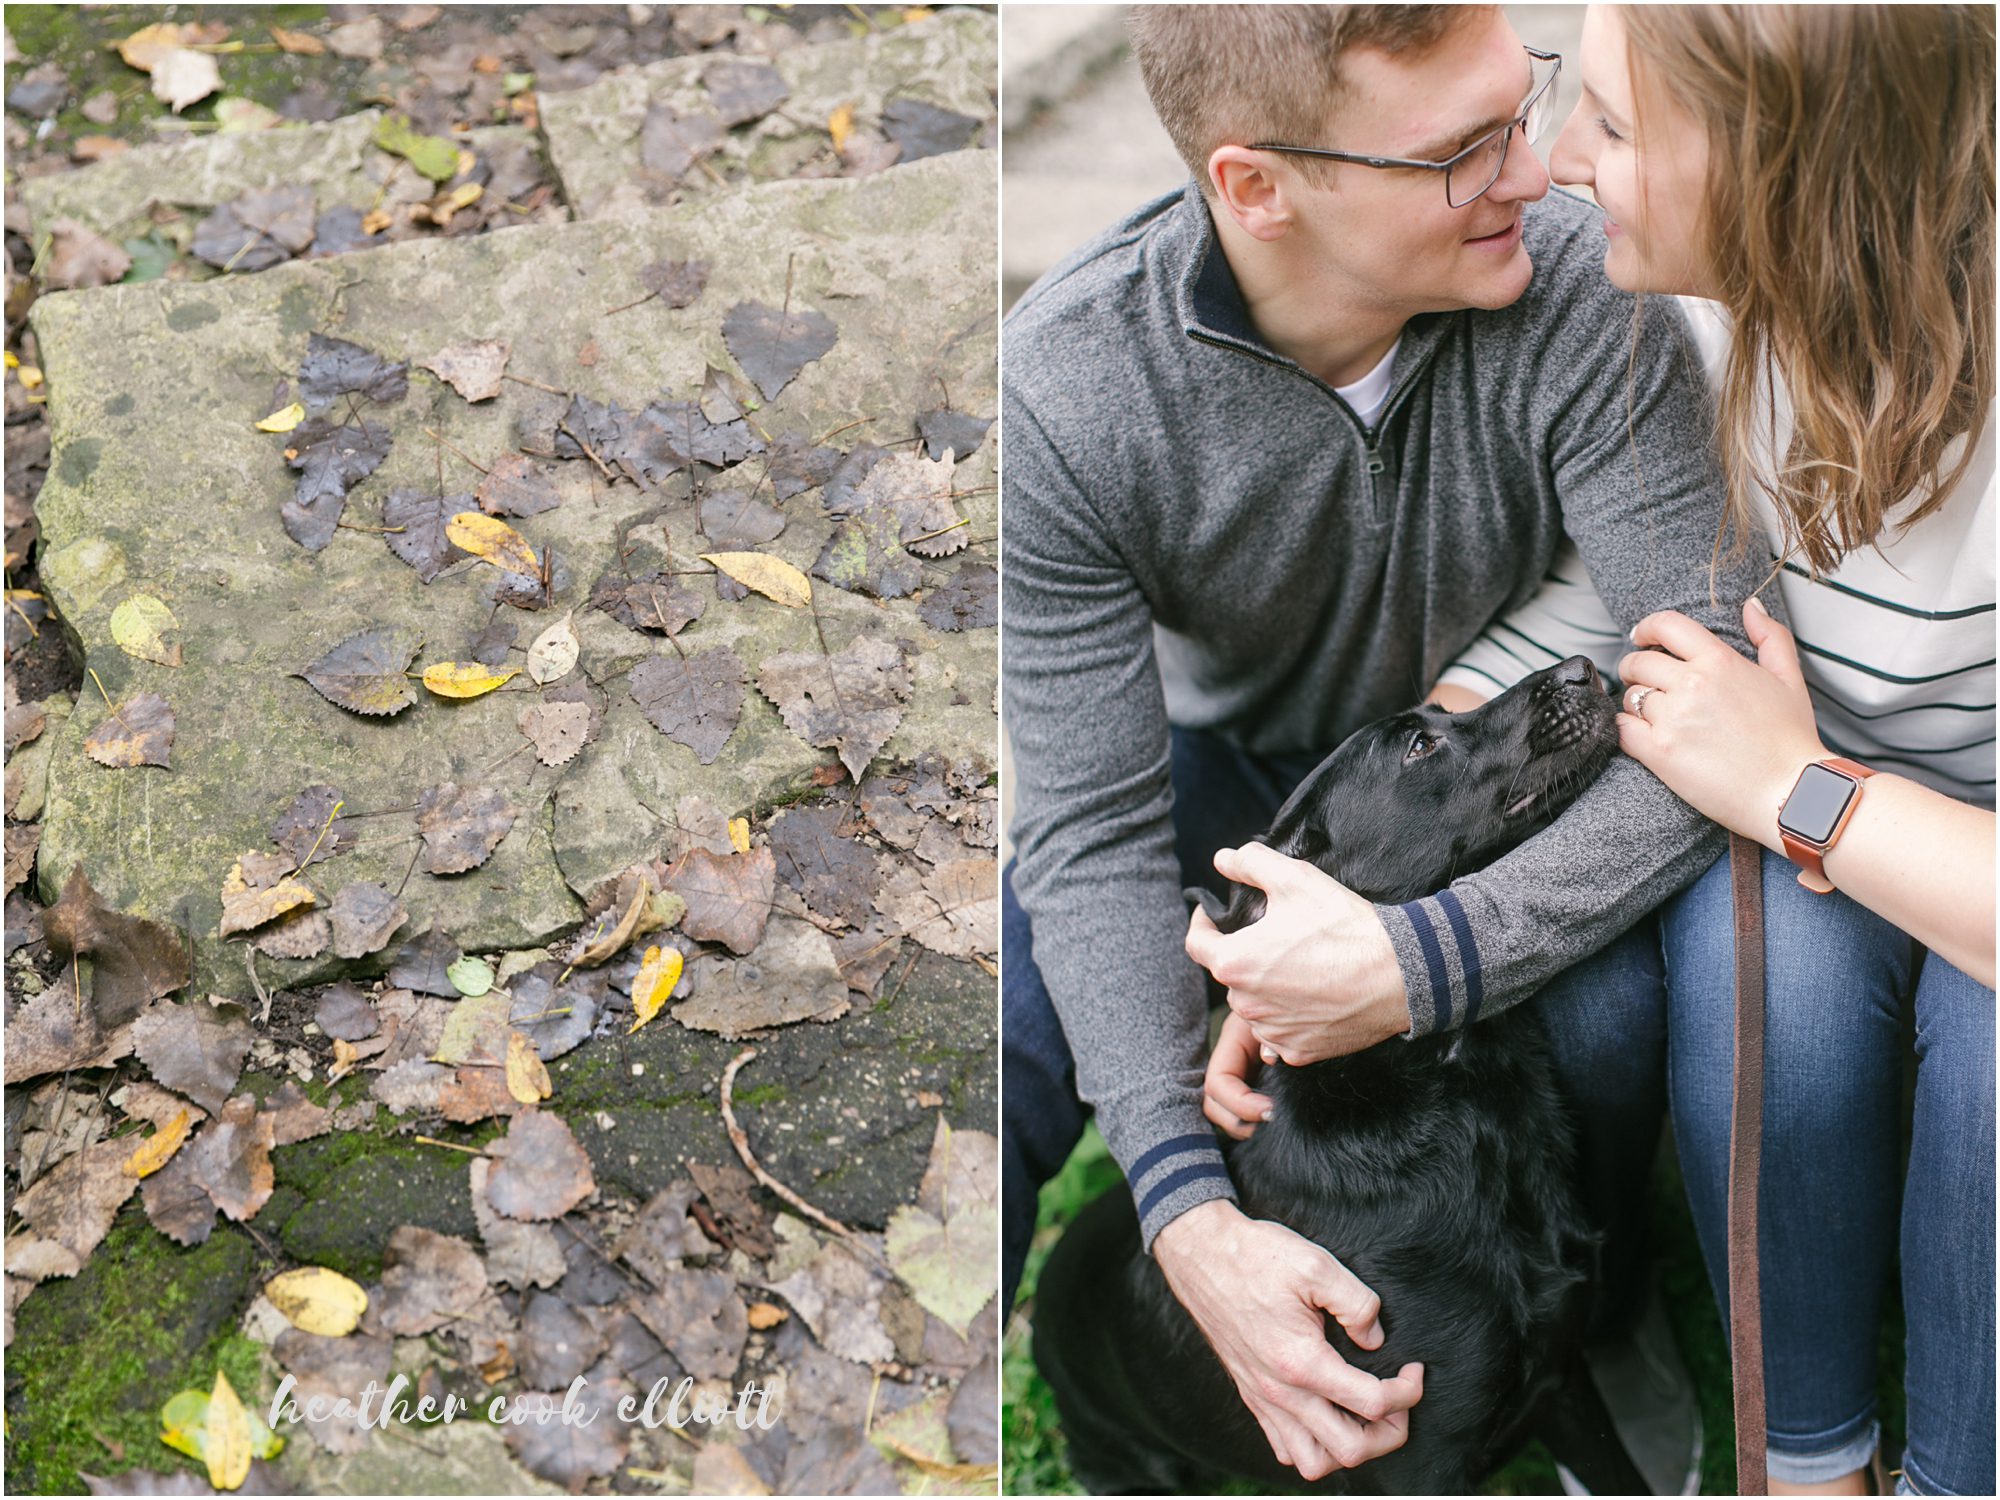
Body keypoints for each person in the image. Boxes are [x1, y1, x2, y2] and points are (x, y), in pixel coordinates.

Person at [1003, 4, 1764, 1487]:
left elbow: (1720, 695)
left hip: (1497, 759)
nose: (1537, 174)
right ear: (1258, 186)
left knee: (1599, 998)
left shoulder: (1583, 300)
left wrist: (1424, 959)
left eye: (1521, 107)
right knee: (1005, 1045)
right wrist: (1186, 1211)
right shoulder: (1076, 388)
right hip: (1225, 787)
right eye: (1461, 152)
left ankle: (1581, 1311)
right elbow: (1091, 837)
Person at [1555, 8, 1994, 1495]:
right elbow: (1563, 616)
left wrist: (1795, 789)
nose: (1560, 162)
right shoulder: (1675, 314)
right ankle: (1806, 1461)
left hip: (1865, 800)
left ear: (1787, 166)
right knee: (1774, 981)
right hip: (1812, 809)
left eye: (1611, 127)